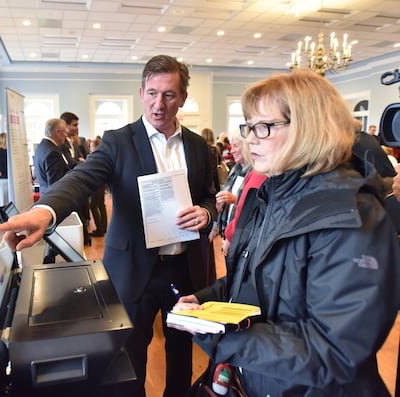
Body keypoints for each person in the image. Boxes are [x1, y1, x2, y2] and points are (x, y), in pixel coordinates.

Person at [0, 55, 217, 397]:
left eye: (168, 95)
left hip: (184, 269)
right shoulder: (118, 141)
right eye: (152, 93)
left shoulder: (200, 147)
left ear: (182, 98)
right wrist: (45, 210)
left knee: (183, 350)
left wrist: (207, 213)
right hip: (135, 270)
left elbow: (210, 196)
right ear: (141, 93)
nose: (159, 104)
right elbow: (81, 178)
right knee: (131, 358)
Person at [170, 68, 400, 396]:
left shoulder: (352, 215)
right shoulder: (270, 195)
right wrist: (207, 301)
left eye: (263, 127)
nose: (250, 139)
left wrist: (227, 338)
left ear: (309, 128)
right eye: (249, 126)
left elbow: (336, 350)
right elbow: (253, 280)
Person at [60, 111, 92, 246]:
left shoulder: (75, 142)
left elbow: (80, 158)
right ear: (65, 126)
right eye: (74, 125)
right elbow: (71, 163)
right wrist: (80, 162)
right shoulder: (61, 144)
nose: (77, 128)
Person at [33, 118, 69, 195]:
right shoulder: (52, 152)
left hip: (45, 195)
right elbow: (56, 184)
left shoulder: (41, 147)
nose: (66, 135)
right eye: (64, 132)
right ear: (57, 132)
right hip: (55, 199)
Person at [88, 136, 107, 237]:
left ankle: (99, 230)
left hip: (95, 183)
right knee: (101, 205)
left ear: (95, 147)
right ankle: (103, 227)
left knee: (93, 206)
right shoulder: (103, 156)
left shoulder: (93, 156)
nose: (90, 148)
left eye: (91, 146)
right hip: (102, 183)